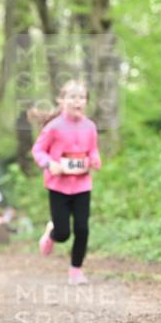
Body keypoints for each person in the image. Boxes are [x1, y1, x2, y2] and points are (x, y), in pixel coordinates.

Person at [31, 80, 101, 285]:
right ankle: (51, 234)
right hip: (58, 186)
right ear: (61, 101)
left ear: (86, 102)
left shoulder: (90, 127)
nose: (77, 101)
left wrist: (95, 159)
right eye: (72, 97)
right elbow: (38, 150)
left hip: (82, 185)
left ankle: (76, 270)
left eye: (81, 97)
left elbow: (93, 150)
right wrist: (49, 163)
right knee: (63, 233)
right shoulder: (54, 127)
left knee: (82, 229)